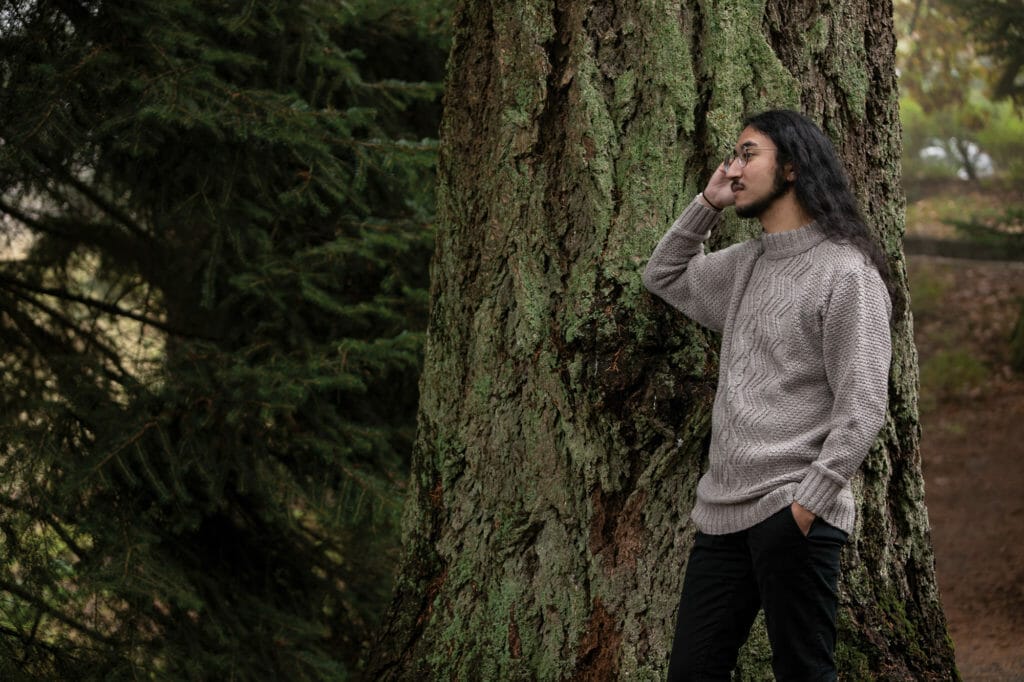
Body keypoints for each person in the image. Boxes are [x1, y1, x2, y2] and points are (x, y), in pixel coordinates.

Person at [642, 109, 894, 681]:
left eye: (748, 154)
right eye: (733, 155)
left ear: (791, 169)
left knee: (804, 674)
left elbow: (863, 406)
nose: (734, 168)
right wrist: (706, 206)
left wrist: (805, 506)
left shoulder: (845, 273)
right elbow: (665, 276)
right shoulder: (748, 263)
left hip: (792, 512)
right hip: (722, 515)